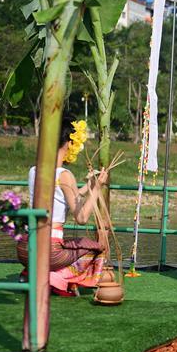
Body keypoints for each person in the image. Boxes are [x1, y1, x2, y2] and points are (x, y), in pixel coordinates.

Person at [16, 119, 109, 297]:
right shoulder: (65, 175)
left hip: (24, 249)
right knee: (97, 249)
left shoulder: (34, 170)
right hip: (49, 252)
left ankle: (31, 272)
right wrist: (97, 188)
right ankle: (55, 278)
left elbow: (60, 196)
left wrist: (89, 186)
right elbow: (82, 218)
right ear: (68, 143)